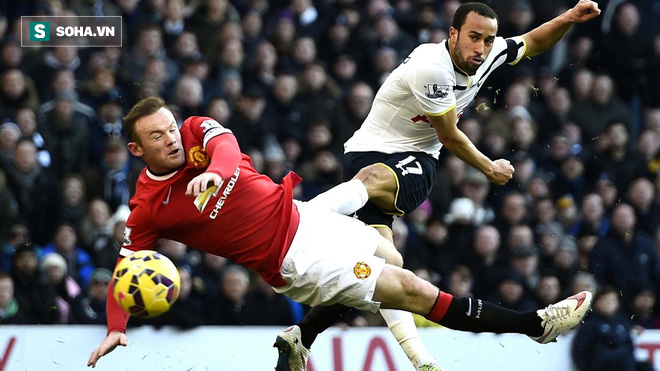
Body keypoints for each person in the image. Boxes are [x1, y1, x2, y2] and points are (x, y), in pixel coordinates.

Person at [87, 97, 593, 370]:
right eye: (157, 136)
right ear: (137, 151)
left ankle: (300, 335)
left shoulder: (198, 131)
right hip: (293, 261)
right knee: (412, 288)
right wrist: (116, 325)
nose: (172, 138)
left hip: (305, 217)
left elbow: (226, 146)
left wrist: (217, 173)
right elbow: (126, 269)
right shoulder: (149, 208)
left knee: (384, 233)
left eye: (171, 127)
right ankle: (534, 325)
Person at [299, 1, 601, 368]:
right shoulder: (432, 68)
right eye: (474, 38)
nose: (481, 48)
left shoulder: (486, 55)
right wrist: (489, 167)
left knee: (382, 237)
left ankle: (295, 225)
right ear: (452, 34)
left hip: (414, 162)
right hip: (369, 155)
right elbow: (450, 135)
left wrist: (568, 17)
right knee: (386, 266)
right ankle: (305, 330)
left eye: (488, 40)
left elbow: (533, 41)